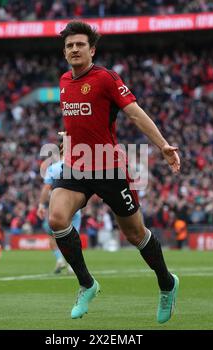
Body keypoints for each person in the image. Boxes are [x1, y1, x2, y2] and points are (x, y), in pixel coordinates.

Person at [48, 21, 180, 323]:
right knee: (56, 218)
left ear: (91, 50)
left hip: (109, 166)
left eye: (80, 44)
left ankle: (167, 283)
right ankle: (86, 284)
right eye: (69, 45)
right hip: (77, 165)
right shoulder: (63, 81)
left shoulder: (106, 78)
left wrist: (162, 145)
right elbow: (81, 121)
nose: (74, 49)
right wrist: (68, 139)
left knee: (135, 234)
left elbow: (133, 112)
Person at [37, 136, 82, 274]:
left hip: (57, 207)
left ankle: (59, 259)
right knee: (73, 237)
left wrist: (41, 205)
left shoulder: (53, 168)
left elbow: (46, 188)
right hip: (75, 207)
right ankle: (71, 266)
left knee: (52, 235)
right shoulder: (78, 166)